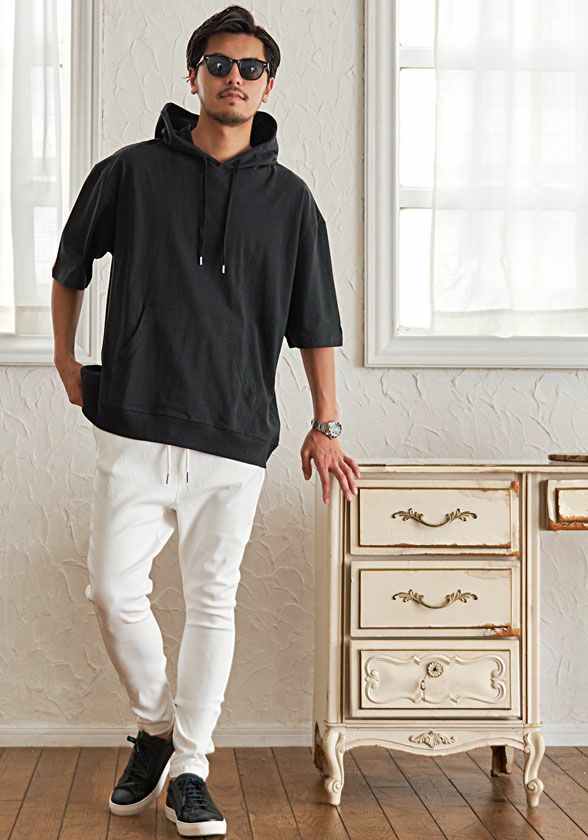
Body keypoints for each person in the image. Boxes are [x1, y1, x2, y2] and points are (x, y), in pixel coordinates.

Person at [51, 5, 360, 836]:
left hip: (235, 432)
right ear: (193, 76)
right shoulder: (129, 172)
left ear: (268, 85)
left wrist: (327, 423)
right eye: (218, 64)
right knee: (111, 590)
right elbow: (71, 266)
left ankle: (190, 763)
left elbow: (316, 323)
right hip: (134, 420)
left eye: (250, 68)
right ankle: (156, 725)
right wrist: (65, 360)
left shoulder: (292, 202)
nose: (233, 78)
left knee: (212, 602)